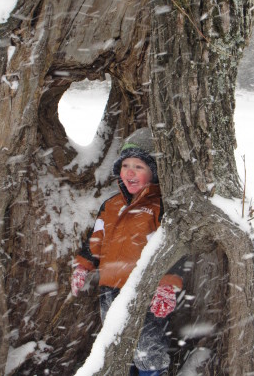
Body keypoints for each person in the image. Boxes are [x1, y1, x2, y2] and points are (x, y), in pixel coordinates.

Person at [71, 127, 182, 376]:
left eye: (139, 167)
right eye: (125, 166)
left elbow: (172, 250)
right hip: (109, 290)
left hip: (145, 291)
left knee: (147, 347)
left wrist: (167, 286)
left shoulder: (159, 207)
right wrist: (83, 266)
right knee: (115, 344)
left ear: (153, 172)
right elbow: (95, 241)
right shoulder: (111, 205)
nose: (130, 172)